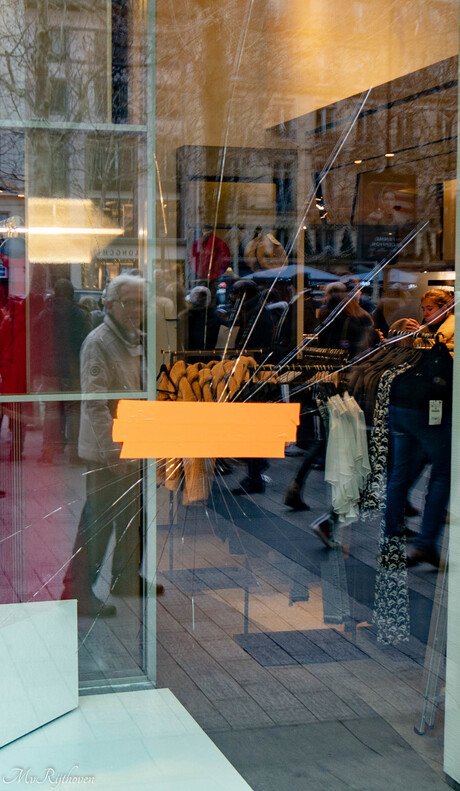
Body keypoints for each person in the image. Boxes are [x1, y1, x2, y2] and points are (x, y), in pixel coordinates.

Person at [61, 274, 146, 617]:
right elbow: (94, 403)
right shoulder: (99, 341)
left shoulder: (132, 339)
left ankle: (126, 578)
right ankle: (78, 591)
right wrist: (113, 448)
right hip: (108, 450)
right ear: (109, 305)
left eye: (141, 302)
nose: (136, 310)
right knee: (98, 520)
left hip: (131, 444)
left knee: (130, 516)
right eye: (128, 302)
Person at [385, 288, 454, 567]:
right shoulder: (440, 332)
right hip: (427, 409)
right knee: (442, 473)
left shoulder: (421, 331)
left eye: (430, 308)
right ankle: (425, 543)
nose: (425, 312)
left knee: (400, 475)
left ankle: (390, 544)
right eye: (424, 307)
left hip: (402, 407)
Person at [35, 278, 91, 465]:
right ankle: (74, 455)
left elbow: (37, 343)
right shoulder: (81, 315)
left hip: (49, 369)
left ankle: (48, 453)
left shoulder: (44, 314)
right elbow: (87, 343)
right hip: (73, 370)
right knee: (73, 410)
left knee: (51, 411)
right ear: (71, 294)